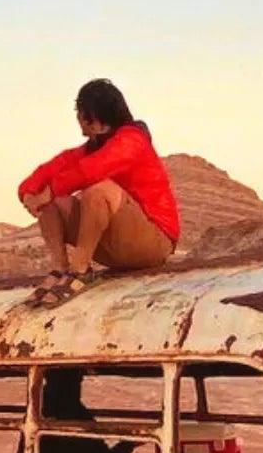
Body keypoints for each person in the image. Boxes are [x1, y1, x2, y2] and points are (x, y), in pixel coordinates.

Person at [17, 79, 181, 307]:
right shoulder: (93, 147)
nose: (79, 121)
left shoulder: (132, 140)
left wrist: (51, 190)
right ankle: (60, 269)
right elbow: (52, 168)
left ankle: (81, 270)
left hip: (154, 240)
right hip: (117, 245)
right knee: (54, 202)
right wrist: (29, 192)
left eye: (83, 116)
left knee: (98, 190)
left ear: (100, 124)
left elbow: (93, 169)